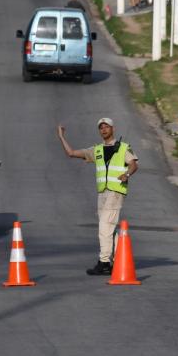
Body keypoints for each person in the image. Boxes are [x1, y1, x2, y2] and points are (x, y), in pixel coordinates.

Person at [57, 118, 139, 276]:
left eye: (106, 126)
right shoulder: (97, 150)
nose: (103, 129)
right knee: (108, 228)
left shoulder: (123, 147)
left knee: (104, 226)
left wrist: (127, 174)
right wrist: (61, 137)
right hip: (102, 193)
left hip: (115, 191)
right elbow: (71, 153)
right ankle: (117, 260)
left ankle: (104, 262)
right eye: (101, 127)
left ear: (112, 129)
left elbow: (134, 163)